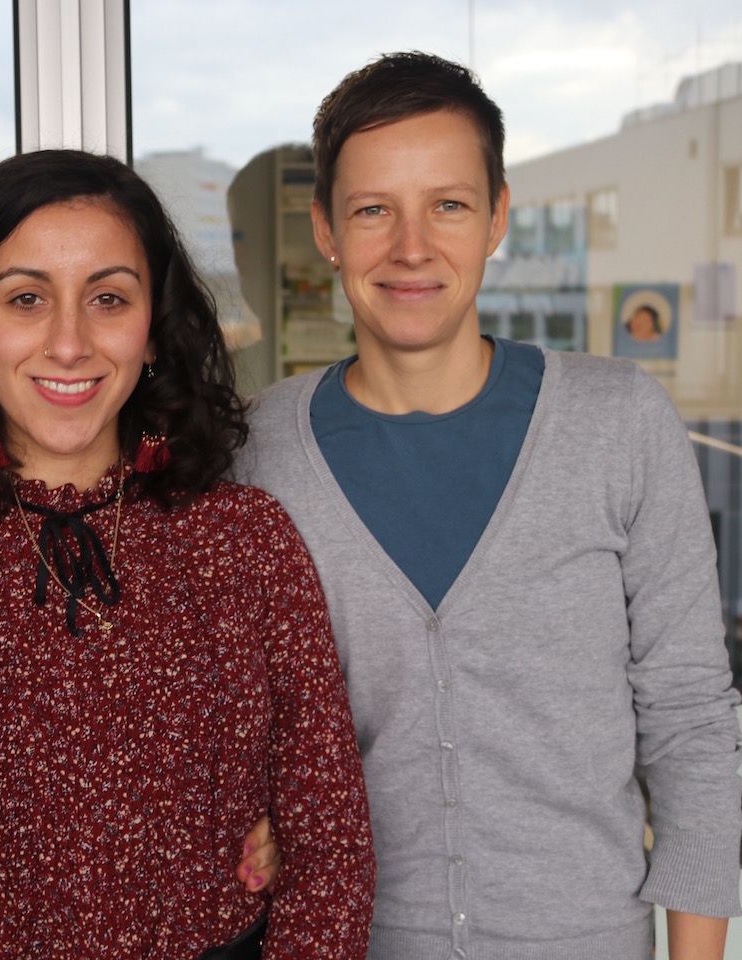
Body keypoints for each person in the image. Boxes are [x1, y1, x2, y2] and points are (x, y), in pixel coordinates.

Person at [234, 51, 742, 960]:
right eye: (373, 210)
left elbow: (691, 719)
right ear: (326, 230)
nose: (412, 247)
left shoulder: (618, 421)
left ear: (498, 216)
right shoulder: (258, 453)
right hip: (348, 943)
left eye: (449, 205)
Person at [0, 149, 375, 960]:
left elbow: (331, 847)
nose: (69, 343)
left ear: (155, 330)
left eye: (108, 298)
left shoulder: (245, 539)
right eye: (26, 298)